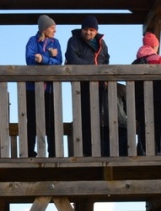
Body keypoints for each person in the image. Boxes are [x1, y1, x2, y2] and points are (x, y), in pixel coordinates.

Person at [65, 16, 117, 154]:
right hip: (81, 86)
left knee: (100, 118)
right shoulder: (74, 41)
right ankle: (86, 152)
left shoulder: (102, 43)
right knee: (84, 118)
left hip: (99, 86)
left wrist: (104, 76)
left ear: (96, 31)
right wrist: (94, 69)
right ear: (81, 29)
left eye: (92, 30)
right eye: (86, 29)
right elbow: (72, 60)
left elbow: (106, 60)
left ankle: (101, 151)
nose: (88, 32)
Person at [23, 15, 62, 157]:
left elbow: (59, 62)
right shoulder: (32, 41)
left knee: (51, 121)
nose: (55, 31)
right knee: (32, 121)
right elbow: (30, 60)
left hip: (50, 89)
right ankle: (29, 152)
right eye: (52, 28)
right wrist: (49, 56)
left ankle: (53, 152)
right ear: (44, 29)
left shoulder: (56, 43)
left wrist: (43, 58)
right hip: (32, 88)